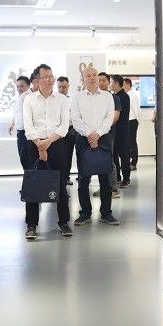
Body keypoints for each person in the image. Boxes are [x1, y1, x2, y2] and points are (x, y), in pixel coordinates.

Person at [22, 64, 72, 240]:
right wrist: (39, 145)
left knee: (60, 184)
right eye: (46, 77)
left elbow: (64, 125)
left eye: (51, 76)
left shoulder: (62, 99)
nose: (50, 79)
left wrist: (48, 142)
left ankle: (64, 222)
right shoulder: (29, 99)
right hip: (34, 145)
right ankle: (31, 224)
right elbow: (28, 125)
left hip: (56, 144)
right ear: (37, 80)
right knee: (33, 184)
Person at [71, 67, 120, 226]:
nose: (92, 78)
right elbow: (75, 119)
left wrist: (97, 134)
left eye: (94, 75)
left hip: (103, 139)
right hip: (83, 140)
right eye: (88, 76)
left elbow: (109, 118)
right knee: (83, 179)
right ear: (83, 79)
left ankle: (106, 213)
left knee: (105, 178)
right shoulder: (77, 97)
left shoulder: (107, 96)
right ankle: (85, 213)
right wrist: (90, 135)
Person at [95, 72, 121, 198]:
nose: (101, 83)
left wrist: (102, 128)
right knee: (99, 161)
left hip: (108, 134)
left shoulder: (114, 98)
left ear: (108, 82)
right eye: (99, 80)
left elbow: (115, 117)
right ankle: (104, 187)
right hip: (96, 135)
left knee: (109, 160)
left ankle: (114, 189)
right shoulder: (95, 97)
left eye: (103, 80)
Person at [110, 74, 131, 188]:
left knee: (124, 155)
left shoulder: (123, 96)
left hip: (121, 130)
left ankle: (126, 179)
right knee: (114, 155)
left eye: (111, 82)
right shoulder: (114, 96)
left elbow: (118, 115)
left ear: (117, 83)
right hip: (114, 130)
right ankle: (117, 177)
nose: (110, 84)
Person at [8, 75, 32, 169]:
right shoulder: (18, 98)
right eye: (17, 86)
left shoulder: (30, 98)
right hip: (20, 133)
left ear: (28, 86)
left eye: (22, 86)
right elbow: (16, 113)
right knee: (23, 158)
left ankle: (29, 178)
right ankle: (27, 177)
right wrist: (12, 123)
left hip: (28, 133)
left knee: (28, 159)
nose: (19, 88)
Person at [57, 76, 77, 187]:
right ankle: (58, 178)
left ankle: (66, 177)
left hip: (70, 130)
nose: (61, 89)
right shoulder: (53, 98)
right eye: (59, 87)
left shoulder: (73, 98)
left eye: (64, 87)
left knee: (68, 155)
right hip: (57, 131)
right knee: (58, 155)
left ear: (68, 86)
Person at [123, 77, 141, 171]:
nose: (122, 86)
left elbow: (137, 110)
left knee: (132, 142)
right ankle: (129, 161)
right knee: (127, 142)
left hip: (132, 121)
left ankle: (134, 163)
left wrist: (138, 121)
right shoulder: (126, 94)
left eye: (123, 84)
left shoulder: (133, 95)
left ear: (128, 85)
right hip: (127, 122)